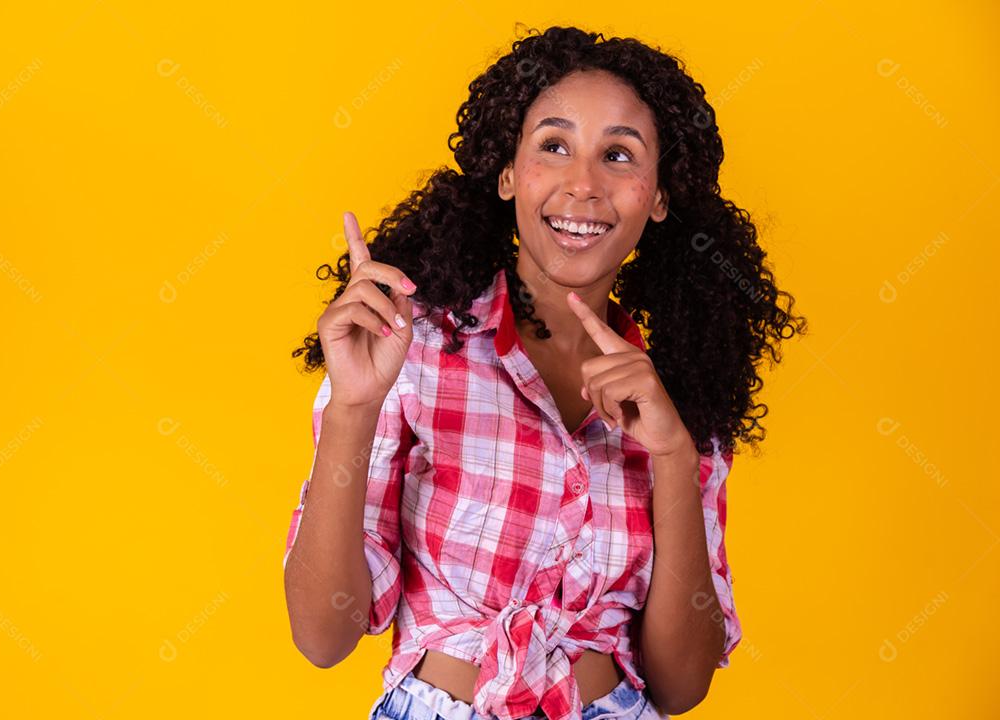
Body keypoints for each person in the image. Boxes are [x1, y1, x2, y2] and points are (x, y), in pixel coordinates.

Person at [284, 25, 806, 720]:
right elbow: (323, 635)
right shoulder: (410, 346)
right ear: (507, 174)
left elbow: (681, 688)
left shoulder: (675, 395)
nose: (583, 184)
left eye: (618, 155)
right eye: (554, 146)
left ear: (657, 197)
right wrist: (352, 407)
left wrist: (676, 458)